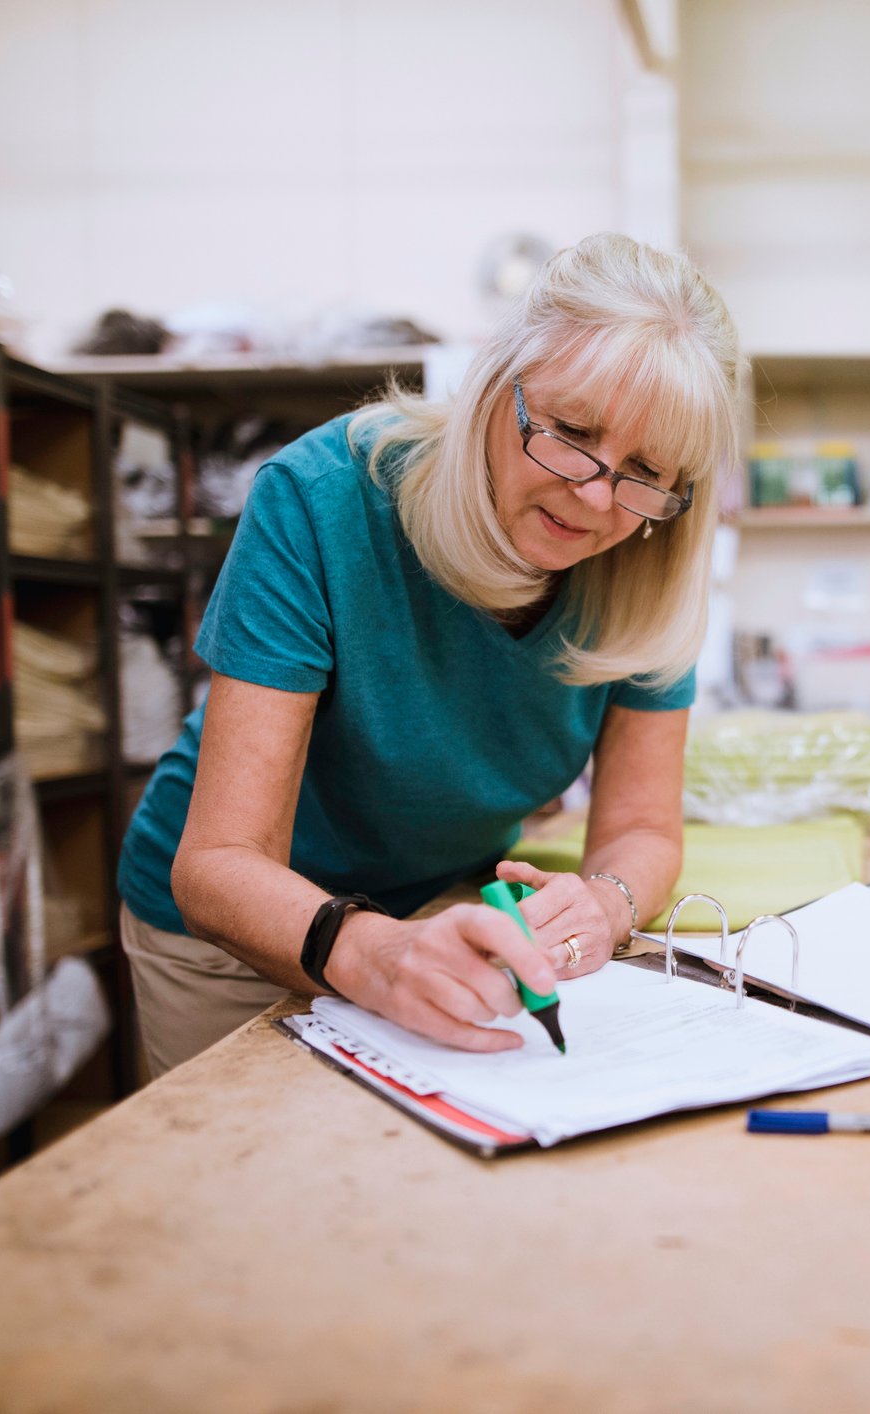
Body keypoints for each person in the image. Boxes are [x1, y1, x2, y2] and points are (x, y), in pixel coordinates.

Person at [116, 233, 738, 1077]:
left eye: (644, 472)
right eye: (570, 431)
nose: (594, 496)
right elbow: (219, 867)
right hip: (231, 937)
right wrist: (374, 954)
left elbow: (638, 825)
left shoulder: (647, 560)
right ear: (492, 383)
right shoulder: (325, 498)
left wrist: (604, 905)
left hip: (439, 909)